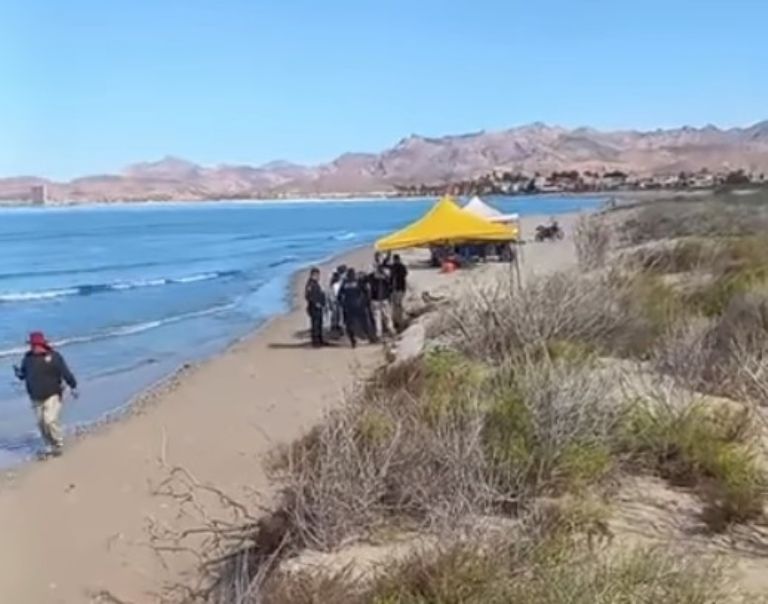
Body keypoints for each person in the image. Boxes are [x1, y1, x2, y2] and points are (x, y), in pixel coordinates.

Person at [13, 332, 77, 457]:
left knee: (50, 420)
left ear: (42, 345)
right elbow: (23, 375)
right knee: (41, 423)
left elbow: (65, 372)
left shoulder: (54, 357)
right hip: (35, 397)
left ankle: (58, 443)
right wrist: (18, 373)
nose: (33, 348)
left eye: (36, 345)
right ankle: (48, 445)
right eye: (32, 345)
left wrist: (73, 386)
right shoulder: (28, 358)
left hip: (52, 394)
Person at [338, 268, 374, 348]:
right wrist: (365, 301)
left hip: (348, 306)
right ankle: (370, 337)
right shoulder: (358, 282)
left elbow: (339, 296)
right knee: (364, 322)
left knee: (349, 324)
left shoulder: (344, 283)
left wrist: (343, 304)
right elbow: (366, 291)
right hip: (359, 305)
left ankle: (353, 340)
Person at [368, 264, 393, 339]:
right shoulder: (384, 278)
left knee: (377, 318)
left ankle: (379, 334)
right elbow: (390, 285)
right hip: (383, 299)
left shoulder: (372, 277)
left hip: (375, 300)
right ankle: (390, 330)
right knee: (387, 316)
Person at [304, 267, 327, 347]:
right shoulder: (310, 284)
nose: (319, 277)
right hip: (314, 308)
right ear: (314, 275)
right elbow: (308, 296)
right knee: (315, 325)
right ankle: (315, 342)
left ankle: (320, 340)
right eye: (317, 275)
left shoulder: (315, 283)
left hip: (319, 307)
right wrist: (316, 303)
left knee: (319, 324)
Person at [389, 254, 408, 331]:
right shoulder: (394, 267)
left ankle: (400, 322)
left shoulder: (400, 267)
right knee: (395, 306)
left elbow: (404, 275)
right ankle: (397, 322)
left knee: (398, 305)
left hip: (399, 288)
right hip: (396, 289)